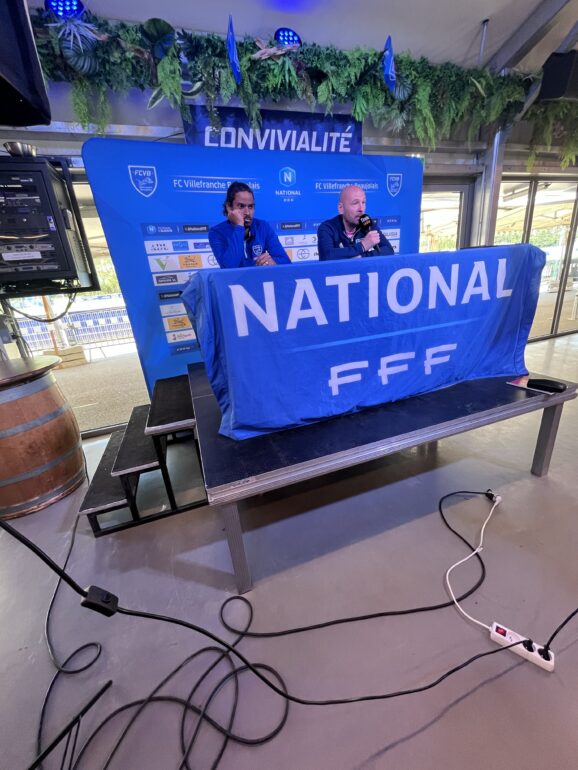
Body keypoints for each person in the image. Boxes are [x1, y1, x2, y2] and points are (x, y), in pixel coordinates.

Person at [208, 182, 291, 268]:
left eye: (250, 206)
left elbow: (287, 263)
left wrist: (274, 263)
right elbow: (229, 268)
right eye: (241, 206)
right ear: (229, 207)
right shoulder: (216, 232)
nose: (247, 212)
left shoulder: (262, 226)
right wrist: (239, 226)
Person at [317, 185, 394, 261]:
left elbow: (389, 250)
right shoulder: (327, 228)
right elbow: (327, 256)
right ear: (341, 208)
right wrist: (362, 246)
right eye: (355, 203)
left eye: (363, 202)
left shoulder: (367, 223)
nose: (361, 209)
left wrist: (362, 257)